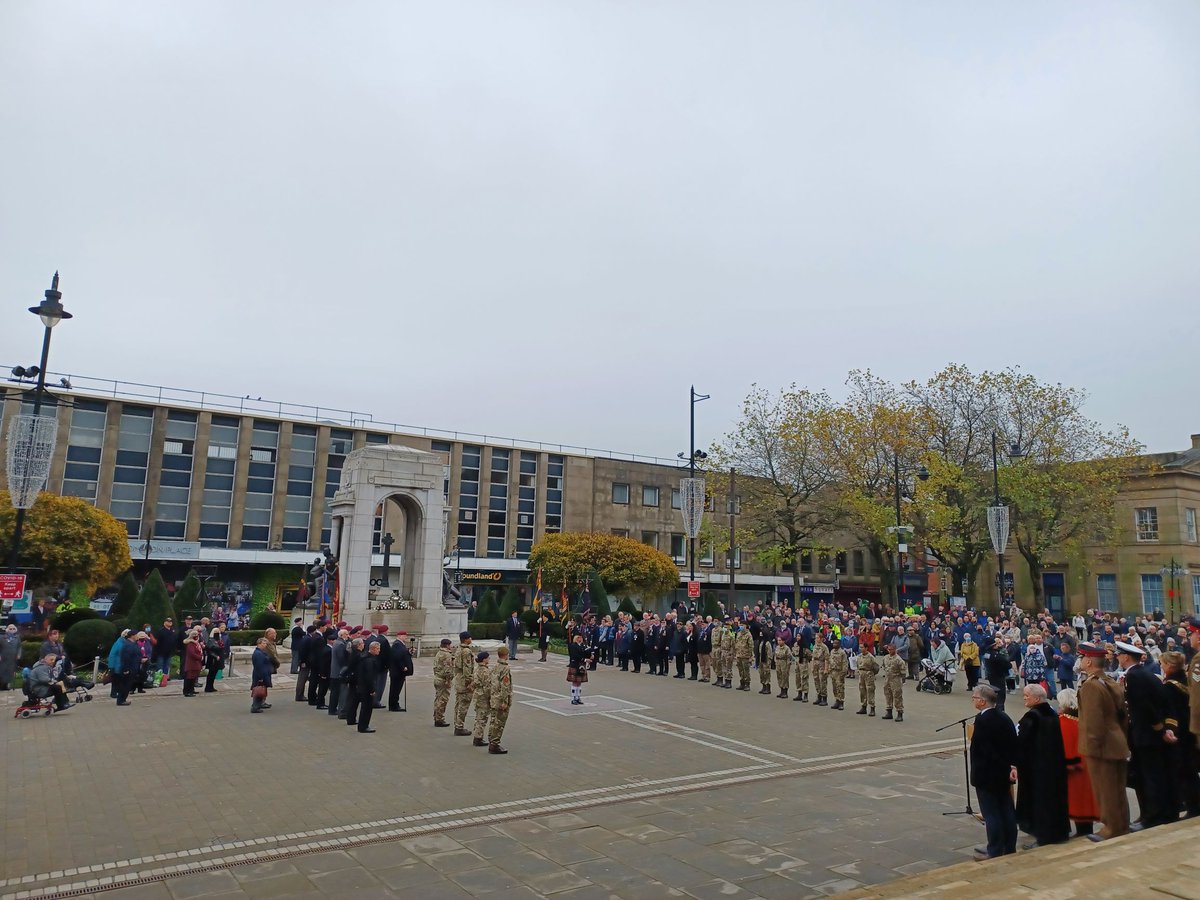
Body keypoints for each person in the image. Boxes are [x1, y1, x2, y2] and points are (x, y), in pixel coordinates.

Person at [1117, 640, 1176, 828]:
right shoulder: (1144, 674)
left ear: (1126, 657)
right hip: (1149, 734)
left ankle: (1154, 816)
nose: (1117, 657)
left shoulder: (1134, 677)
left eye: (1119, 655)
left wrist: (1159, 728)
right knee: (1155, 775)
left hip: (1146, 735)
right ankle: (1163, 812)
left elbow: (1144, 707)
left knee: (1150, 777)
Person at [1075, 642, 1130, 840]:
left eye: (1082, 657)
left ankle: (1111, 827)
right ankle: (1122, 824)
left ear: (1089, 661)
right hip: (1117, 741)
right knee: (1117, 788)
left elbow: (1093, 721)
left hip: (1102, 745)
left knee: (1105, 789)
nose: (1081, 661)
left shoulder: (1091, 686)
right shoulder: (1108, 681)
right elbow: (1123, 715)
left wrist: (1092, 745)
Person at [1014, 683, 1070, 847]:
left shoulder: (1032, 717)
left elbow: (1022, 743)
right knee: (1055, 801)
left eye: (1027, 696)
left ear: (1036, 699)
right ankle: (1059, 832)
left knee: (1039, 804)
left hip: (1036, 769)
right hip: (1054, 766)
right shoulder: (1052, 714)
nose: (1024, 698)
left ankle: (1043, 836)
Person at [969, 684, 1018, 859]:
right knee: (1006, 810)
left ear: (982, 702)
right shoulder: (1004, 717)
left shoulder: (982, 721)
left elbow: (983, 750)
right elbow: (1013, 744)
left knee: (991, 814)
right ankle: (1009, 846)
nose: (972, 700)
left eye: (974, 697)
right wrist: (1011, 766)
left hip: (986, 775)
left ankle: (995, 849)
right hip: (1003, 773)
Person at [1159, 650, 1200, 819]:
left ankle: (1193, 806)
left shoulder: (1170, 687)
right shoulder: (1185, 680)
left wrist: (1171, 731)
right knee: (1190, 770)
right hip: (1190, 730)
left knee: (1184, 771)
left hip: (1180, 733)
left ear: (1169, 665)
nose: (1161, 667)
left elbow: (1172, 713)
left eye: (1162, 664)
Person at [1055, 687, 1099, 837]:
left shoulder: (1064, 722)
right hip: (1088, 764)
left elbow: (1066, 747)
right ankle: (1085, 829)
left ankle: (1082, 832)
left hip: (1075, 769)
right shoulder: (1084, 719)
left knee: (1077, 801)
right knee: (1086, 799)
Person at [347, 640, 382, 733]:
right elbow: (369, 676)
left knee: (358, 704)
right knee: (366, 708)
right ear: (373, 649)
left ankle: (360, 724)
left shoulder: (364, 657)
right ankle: (363, 726)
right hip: (366, 687)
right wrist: (372, 689)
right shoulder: (369, 660)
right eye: (378, 649)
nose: (379, 651)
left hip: (361, 685)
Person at [489, 644, 513, 754]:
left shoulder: (495, 667)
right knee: (499, 723)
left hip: (494, 697)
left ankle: (491, 741)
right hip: (500, 699)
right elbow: (505, 686)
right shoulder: (505, 668)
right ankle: (495, 744)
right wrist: (504, 701)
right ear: (506, 655)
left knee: (494, 721)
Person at [452, 631, 476, 735]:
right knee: (463, 705)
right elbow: (467, 668)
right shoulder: (466, 651)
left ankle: (457, 724)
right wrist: (469, 681)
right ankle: (459, 727)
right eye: (470, 637)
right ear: (466, 639)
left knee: (459, 703)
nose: (471, 639)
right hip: (464, 681)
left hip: (458, 679)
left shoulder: (458, 649)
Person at [387, 631, 414, 712]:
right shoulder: (397, 644)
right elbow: (396, 657)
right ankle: (394, 706)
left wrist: (409, 652)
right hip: (397, 671)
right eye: (404, 636)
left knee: (396, 689)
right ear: (399, 636)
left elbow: (402, 655)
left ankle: (394, 704)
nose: (406, 637)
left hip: (398, 671)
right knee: (395, 689)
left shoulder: (400, 644)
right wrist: (403, 667)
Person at [470, 651, 492, 746]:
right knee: (482, 718)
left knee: (479, 716)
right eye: (488, 658)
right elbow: (487, 686)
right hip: (483, 696)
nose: (489, 659)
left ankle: (477, 736)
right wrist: (490, 697)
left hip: (478, 695)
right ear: (484, 659)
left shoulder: (478, 668)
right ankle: (478, 738)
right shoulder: (485, 671)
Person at [880, 642, 905, 722]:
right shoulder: (885, 658)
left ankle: (899, 713)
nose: (889, 651)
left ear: (895, 649)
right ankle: (889, 711)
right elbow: (884, 666)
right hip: (887, 679)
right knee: (888, 695)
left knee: (897, 696)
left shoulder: (899, 659)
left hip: (896, 679)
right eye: (888, 649)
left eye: (891, 649)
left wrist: (902, 680)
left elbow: (903, 671)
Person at [433, 638, 453, 727]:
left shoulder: (439, 653)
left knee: (438, 698)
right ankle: (439, 719)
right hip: (443, 680)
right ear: (448, 645)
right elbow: (448, 670)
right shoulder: (447, 655)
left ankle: (436, 717)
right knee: (442, 700)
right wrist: (448, 680)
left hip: (437, 677)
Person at [567, 632, 592, 705]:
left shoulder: (583, 646)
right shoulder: (572, 646)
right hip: (575, 664)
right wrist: (584, 659)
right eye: (578, 637)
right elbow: (574, 655)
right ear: (575, 638)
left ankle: (578, 697)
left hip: (582, 665)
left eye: (581, 638)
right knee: (575, 682)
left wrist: (590, 654)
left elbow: (585, 653)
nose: (580, 639)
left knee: (579, 683)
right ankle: (573, 698)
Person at [250, 637, 273, 713]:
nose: (265, 645)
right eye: (264, 643)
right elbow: (259, 666)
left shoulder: (261, 652)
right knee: (259, 691)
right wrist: (261, 677)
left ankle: (260, 704)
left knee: (262, 690)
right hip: (260, 675)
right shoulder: (258, 654)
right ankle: (255, 707)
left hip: (263, 674)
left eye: (266, 643)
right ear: (259, 644)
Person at [180, 627, 204, 697]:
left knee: (193, 677)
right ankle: (187, 691)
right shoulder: (190, 644)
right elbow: (192, 653)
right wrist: (200, 657)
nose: (197, 636)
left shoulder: (196, 643)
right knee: (189, 678)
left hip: (196, 663)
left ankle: (191, 690)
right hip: (191, 663)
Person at [856, 646, 880, 715]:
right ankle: (863, 706)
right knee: (862, 690)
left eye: (862, 647)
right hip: (861, 674)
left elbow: (876, 668)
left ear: (866, 648)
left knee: (870, 691)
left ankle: (872, 708)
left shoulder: (871, 657)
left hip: (869, 674)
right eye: (860, 647)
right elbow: (858, 665)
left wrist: (871, 674)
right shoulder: (859, 656)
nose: (861, 649)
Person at [203, 627, 226, 693]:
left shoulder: (220, 640)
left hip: (218, 660)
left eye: (218, 632)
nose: (217, 633)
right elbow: (209, 650)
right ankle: (208, 687)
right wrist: (215, 656)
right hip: (213, 660)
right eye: (216, 632)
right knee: (211, 674)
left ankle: (211, 686)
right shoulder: (211, 640)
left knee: (214, 674)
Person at [810, 633, 830, 706]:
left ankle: (824, 698)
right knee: (816, 680)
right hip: (815, 664)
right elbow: (812, 657)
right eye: (815, 638)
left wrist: (826, 669)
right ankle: (819, 697)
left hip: (822, 664)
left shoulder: (824, 647)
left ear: (821, 639)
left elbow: (826, 659)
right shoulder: (815, 646)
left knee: (823, 682)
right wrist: (812, 667)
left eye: (817, 638)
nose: (816, 639)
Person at [1, 623, 21, 690]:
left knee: (10, 672)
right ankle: (2, 685)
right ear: (7, 630)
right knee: (3, 671)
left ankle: (6, 685)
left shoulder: (17, 638)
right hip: (3, 658)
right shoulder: (2, 637)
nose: (12, 630)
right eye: (10, 628)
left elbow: (19, 647)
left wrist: (19, 654)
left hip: (12, 658)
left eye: (13, 629)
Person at [828, 642, 848, 710]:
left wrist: (843, 673)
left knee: (840, 688)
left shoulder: (842, 652)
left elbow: (845, 663)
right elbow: (830, 660)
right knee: (835, 687)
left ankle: (841, 702)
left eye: (836, 643)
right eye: (834, 643)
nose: (834, 644)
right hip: (833, 672)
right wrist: (829, 670)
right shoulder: (832, 651)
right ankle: (836, 700)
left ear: (839, 645)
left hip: (839, 672)